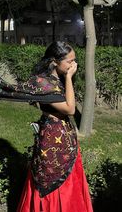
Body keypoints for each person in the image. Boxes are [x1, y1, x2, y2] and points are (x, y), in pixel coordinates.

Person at [17, 41, 93, 212]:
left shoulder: (56, 79)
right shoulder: (43, 83)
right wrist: (68, 78)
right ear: (54, 61)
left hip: (65, 140)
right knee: (51, 180)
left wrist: (67, 78)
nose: (74, 65)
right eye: (69, 61)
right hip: (52, 143)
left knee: (69, 184)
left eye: (75, 60)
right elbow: (70, 109)